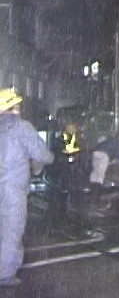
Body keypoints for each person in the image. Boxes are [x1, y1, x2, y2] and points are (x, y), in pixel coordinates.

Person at [0, 89, 54, 286]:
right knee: (11, 230)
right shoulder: (23, 128)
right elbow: (41, 154)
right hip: (12, 189)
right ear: (13, 107)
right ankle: (5, 275)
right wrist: (51, 158)